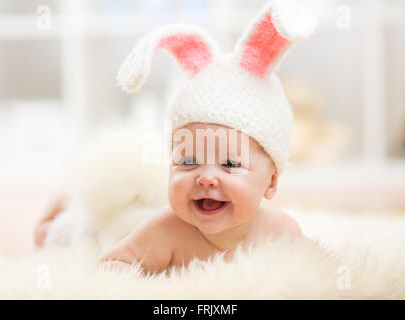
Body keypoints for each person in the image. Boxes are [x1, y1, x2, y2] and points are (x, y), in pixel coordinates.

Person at [99, 1, 318, 274]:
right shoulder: (165, 231)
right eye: (189, 160)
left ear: (271, 183)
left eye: (230, 164)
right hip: (117, 223)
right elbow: (112, 266)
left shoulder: (281, 232)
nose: (205, 177)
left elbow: (318, 271)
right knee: (86, 226)